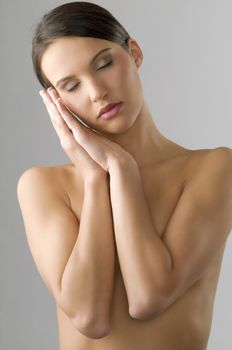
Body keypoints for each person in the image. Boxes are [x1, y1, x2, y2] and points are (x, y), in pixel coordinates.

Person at [17, 2, 232, 349]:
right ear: (57, 103)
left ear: (134, 52)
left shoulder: (213, 169)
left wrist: (123, 169)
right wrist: (96, 178)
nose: (96, 91)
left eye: (104, 64)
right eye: (72, 87)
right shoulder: (43, 186)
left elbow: (149, 296)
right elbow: (89, 317)